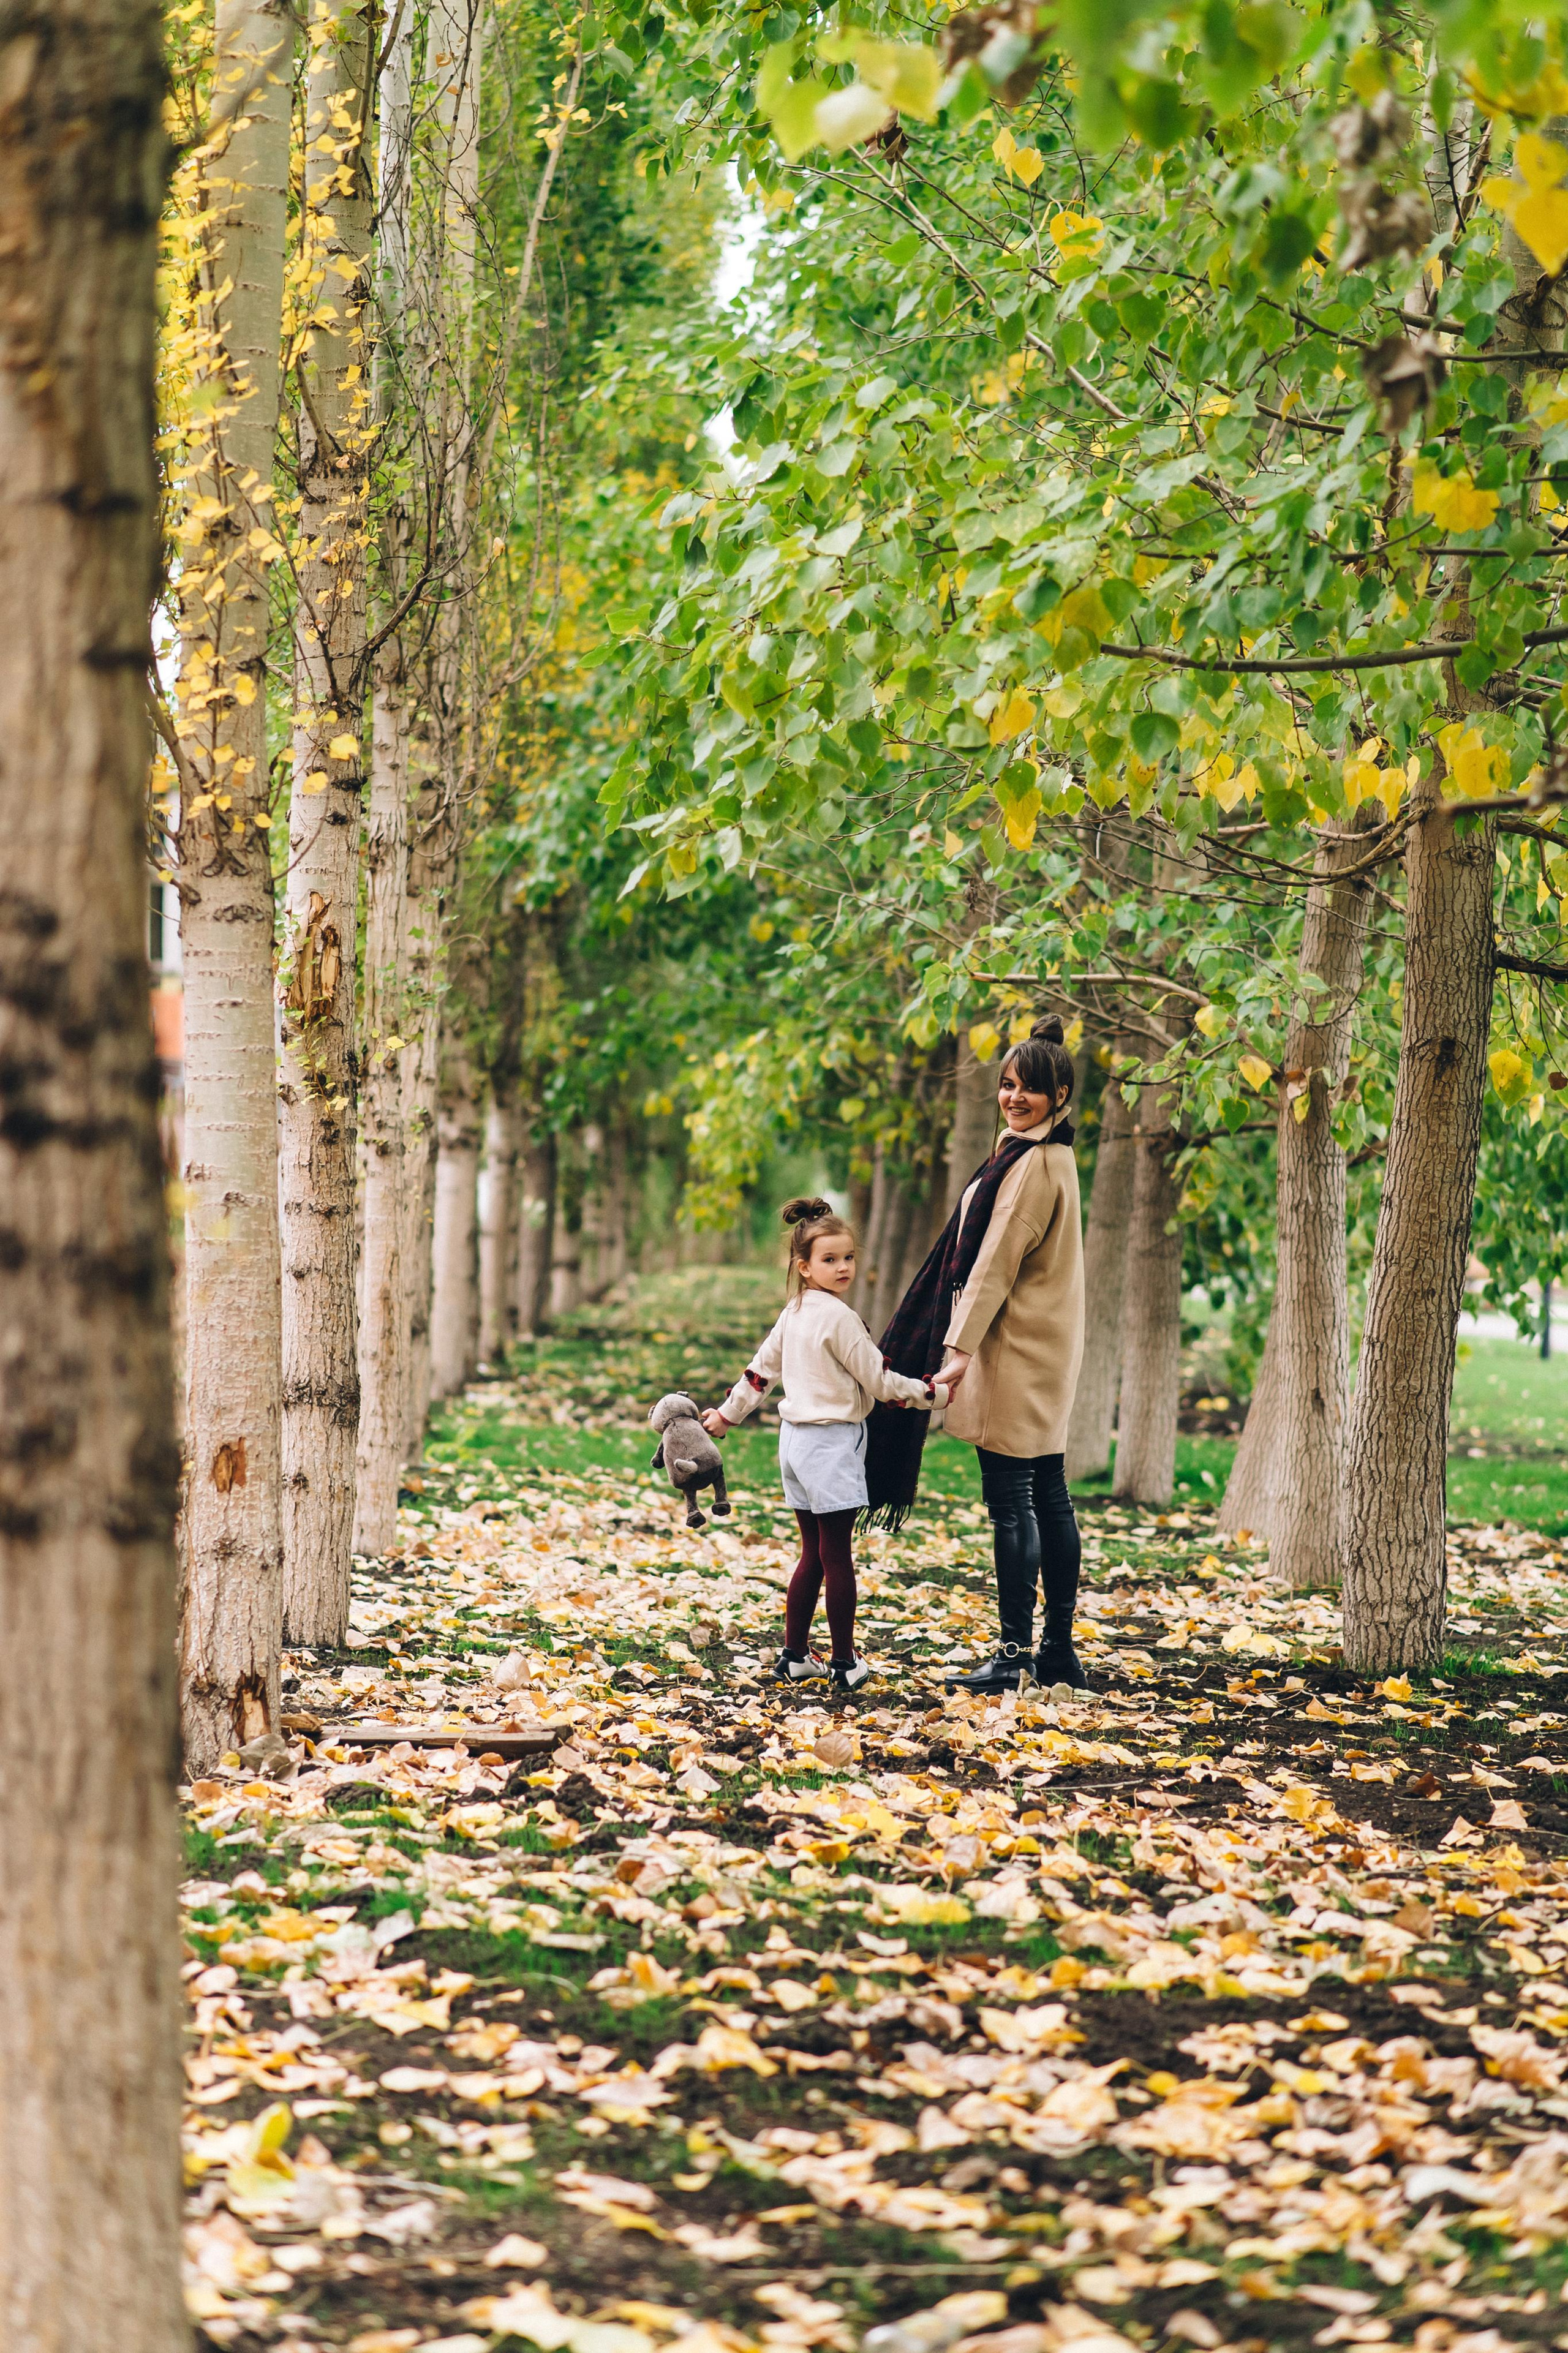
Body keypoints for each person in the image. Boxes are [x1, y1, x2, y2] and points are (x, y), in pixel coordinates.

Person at [869, 1016, 1087, 1696]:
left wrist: (955, 1350)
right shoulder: (1039, 1155)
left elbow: (993, 1265)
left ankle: (1015, 1653)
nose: (1015, 1097)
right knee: (1048, 1490)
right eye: (1007, 1084)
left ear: (1061, 1094)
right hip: (1041, 1345)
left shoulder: (1029, 1166)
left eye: (1030, 1088)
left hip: (1013, 1345)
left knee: (1013, 1498)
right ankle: (1054, 1652)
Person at [703, 1199, 949, 1692]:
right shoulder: (839, 1319)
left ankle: (795, 1656)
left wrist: (726, 1415)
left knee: (812, 1553)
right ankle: (843, 1661)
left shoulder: (793, 1313)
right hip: (830, 1443)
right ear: (804, 1266)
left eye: (848, 1258)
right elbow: (880, 1382)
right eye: (829, 1259)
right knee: (836, 1557)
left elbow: (758, 1375)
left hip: (793, 1445)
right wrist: (934, 1393)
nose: (842, 1268)